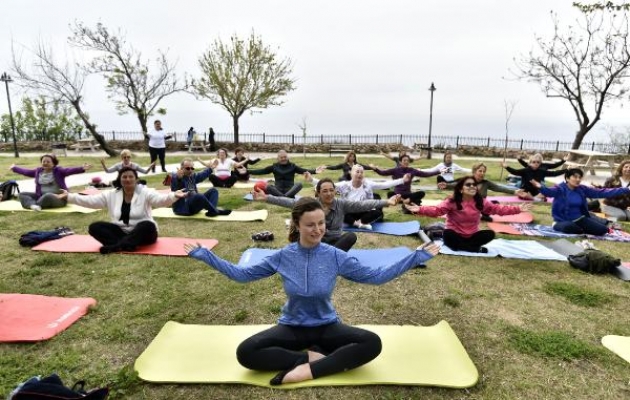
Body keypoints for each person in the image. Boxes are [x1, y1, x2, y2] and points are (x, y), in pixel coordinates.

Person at [184, 197, 439, 385]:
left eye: (320, 223)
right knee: (246, 352)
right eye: (310, 225)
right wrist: (207, 256)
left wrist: (414, 258)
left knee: (372, 343)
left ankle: (306, 369)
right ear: (297, 224)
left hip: (327, 326)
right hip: (292, 327)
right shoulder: (283, 256)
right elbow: (242, 275)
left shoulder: (335, 256)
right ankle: (311, 357)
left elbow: (376, 277)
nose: (317, 230)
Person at [59, 167, 186, 254]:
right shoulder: (111, 194)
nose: (127, 179)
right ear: (120, 179)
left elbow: (160, 200)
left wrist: (173, 196)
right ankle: (127, 244)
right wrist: (69, 197)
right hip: (121, 232)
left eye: (131, 177)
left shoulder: (145, 192)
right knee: (94, 227)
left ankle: (117, 246)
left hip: (143, 235)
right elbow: (91, 201)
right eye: (124, 177)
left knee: (147, 225)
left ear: (136, 179)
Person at [253, 178, 400, 251]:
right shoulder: (311, 202)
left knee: (351, 236)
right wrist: (266, 198)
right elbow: (289, 202)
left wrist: (387, 202)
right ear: (318, 192)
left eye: (331, 190)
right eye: (325, 191)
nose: (329, 193)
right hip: (315, 242)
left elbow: (363, 205)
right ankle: (323, 256)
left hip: (334, 244)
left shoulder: (341, 203)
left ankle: (327, 258)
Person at [406, 176, 531, 253]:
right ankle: (473, 248)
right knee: (448, 234)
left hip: (471, 236)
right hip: (454, 235)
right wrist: (420, 209)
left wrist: (518, 209)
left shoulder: (480, 201)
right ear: (461, 189)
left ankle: (464, 247)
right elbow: (437, 211)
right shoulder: (452, 201)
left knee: (490, 233)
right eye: (468, 184)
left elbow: (497, 209)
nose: (472, 186)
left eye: (474, 185)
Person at [306, 165, 411, 229]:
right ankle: (358, 224)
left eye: (361, 172)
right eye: (357, 171)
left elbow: (385, 184)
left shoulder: (368, 184)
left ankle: (360, 222)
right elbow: (327, 184)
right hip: (349, 211)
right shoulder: (344, 185)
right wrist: (311, 180)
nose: (360, 174)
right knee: (340, 211)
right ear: (352, 174)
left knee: (378, 213)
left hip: (363, 210)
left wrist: (402, 180)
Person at [531, 168, 630, 235]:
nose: (578, 179)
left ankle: (586, 227)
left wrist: (625, 189)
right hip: (563, 221)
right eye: (575, 177)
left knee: (602, 230)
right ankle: (559, 226)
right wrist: (541, 187)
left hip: (580, 219)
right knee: (569, 227)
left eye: (579, 177)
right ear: (567, 178)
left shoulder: (582, 189)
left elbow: (602, 192)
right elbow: (549, 192)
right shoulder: (560, 189)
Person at [438, 162, 526, 222]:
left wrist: (515, 192)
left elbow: (499, 188)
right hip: (467, 206)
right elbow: (455, 184)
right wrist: (446, 185)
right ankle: (477, 216)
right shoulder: (467, 180)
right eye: (480, 171)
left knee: (494, 203)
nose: (482, 173)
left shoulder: (486, 183)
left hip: (480, 206)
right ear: (474, 171)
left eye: (484, 171)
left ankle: (479, 215)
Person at [10, 154, 92, 211]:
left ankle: (33, 204)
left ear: (53, 163)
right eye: (43, 161)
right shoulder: (38, 171)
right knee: (22, 194)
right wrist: (14, 168)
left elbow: (69, 170)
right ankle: (33, 205)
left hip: (59, 198)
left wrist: (82, 168)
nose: (45, 163)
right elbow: (26, 172)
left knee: (48, 195)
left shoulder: (58, 171)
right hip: (40, 197)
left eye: (48, 162)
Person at [369, 154, 439, 213]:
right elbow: (383, 173)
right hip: (398, 194)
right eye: (404, 160)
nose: (406, 162)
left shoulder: (412, 170)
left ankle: (405, 202)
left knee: (421, 193)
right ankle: (406, 201)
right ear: (400, 162)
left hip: (408, 194)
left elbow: (426, 174)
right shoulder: (395, 170)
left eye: (407, 161)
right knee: (390, 194)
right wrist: (375, 169)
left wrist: (438, 172)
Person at [248, 150, 325, 198]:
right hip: (277, 190)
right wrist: (248, 171)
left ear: (287, 157)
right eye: (281, 157)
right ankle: (285, 197)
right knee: (268, 186)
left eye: (285, 157)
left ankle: (283, 197)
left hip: (290, 190)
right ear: (278, 158)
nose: (284, 159)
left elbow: (304, 171)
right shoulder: (274, 167)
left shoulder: (293, 166)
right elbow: (261, 171)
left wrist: (315, 171)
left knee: (299, 184)